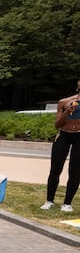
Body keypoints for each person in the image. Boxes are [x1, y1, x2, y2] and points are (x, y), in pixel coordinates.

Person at [40, 79, 80, 213]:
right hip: (64, 134)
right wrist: (67, 112)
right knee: (55, 168)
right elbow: (57, 124)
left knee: (75, 171)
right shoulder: (64, 102)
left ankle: (67, 203)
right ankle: (49, 200)